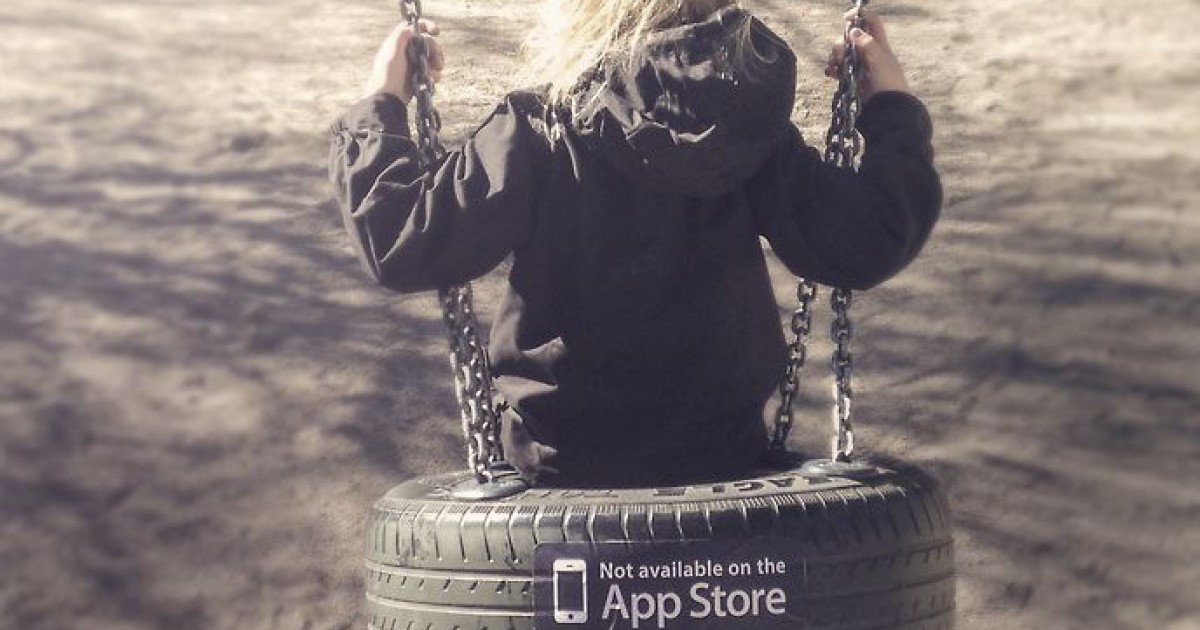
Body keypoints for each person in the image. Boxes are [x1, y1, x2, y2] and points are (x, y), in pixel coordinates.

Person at [328, 1, 941, 488]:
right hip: (722, 451)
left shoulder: (537, 127)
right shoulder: (748, 128)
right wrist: (890, 105)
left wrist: (383, 101)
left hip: (560, 457)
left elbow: (402, 238)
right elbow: (867, 238)